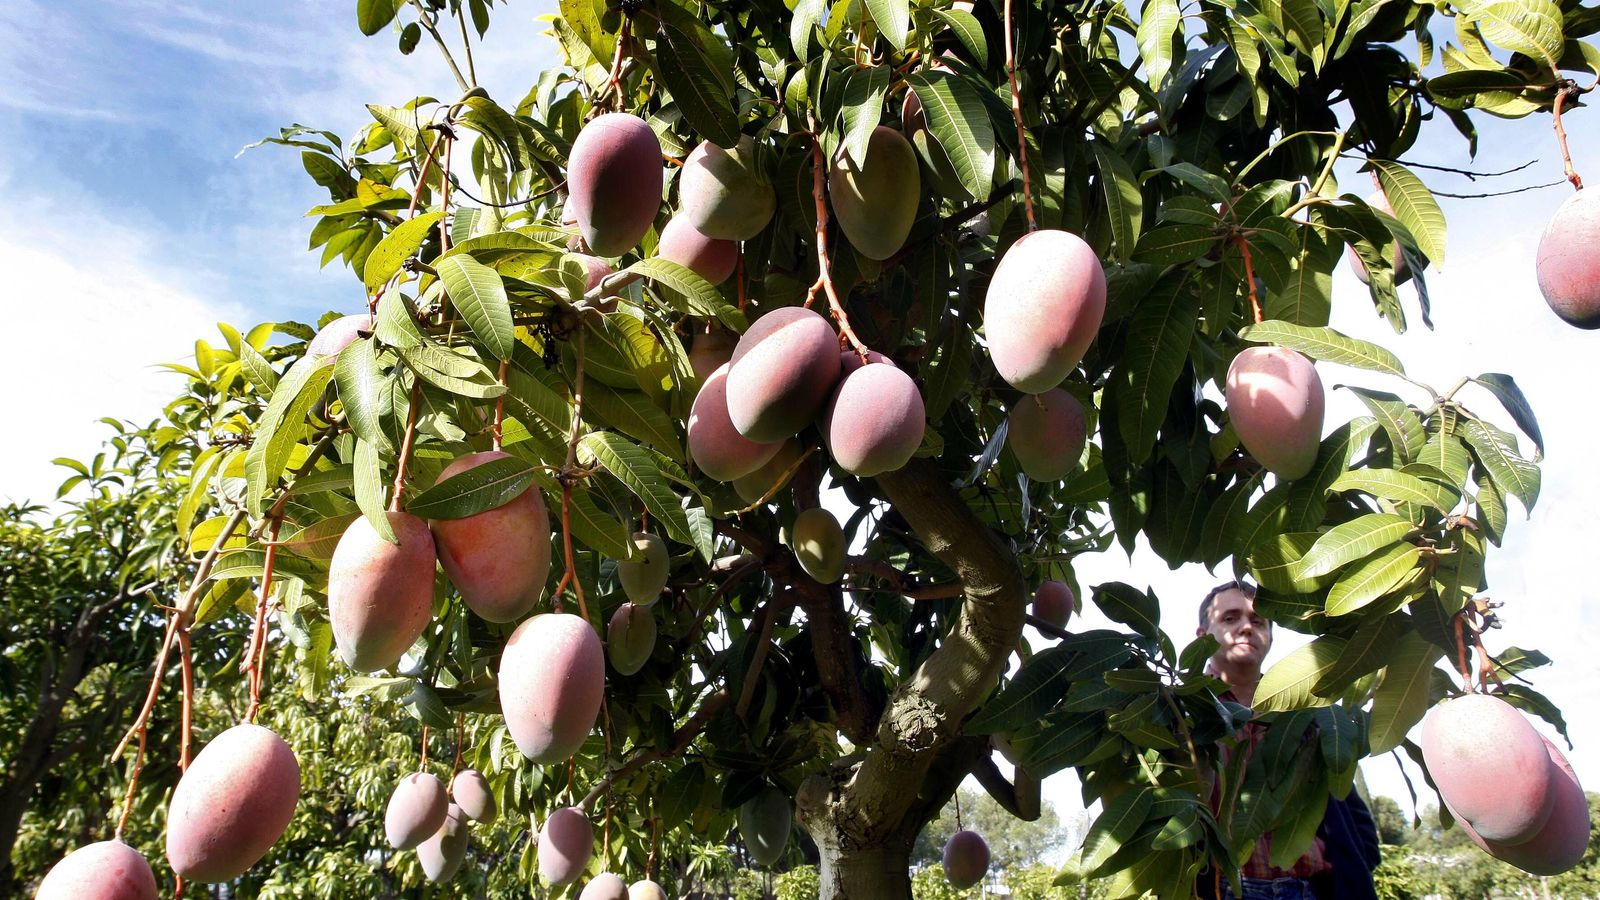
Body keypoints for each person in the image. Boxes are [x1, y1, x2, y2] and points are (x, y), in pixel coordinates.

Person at [1194, 581, 1381, 900]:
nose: (1246, 627)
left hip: (1313, 889)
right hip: (1220, 888)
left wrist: (1354, 869)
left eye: (1258, 621)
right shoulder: (1182, 710)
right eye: (1230, 618)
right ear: (1203, 637)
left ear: (1270, 636)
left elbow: (1346, 804)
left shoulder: (1304, 713)